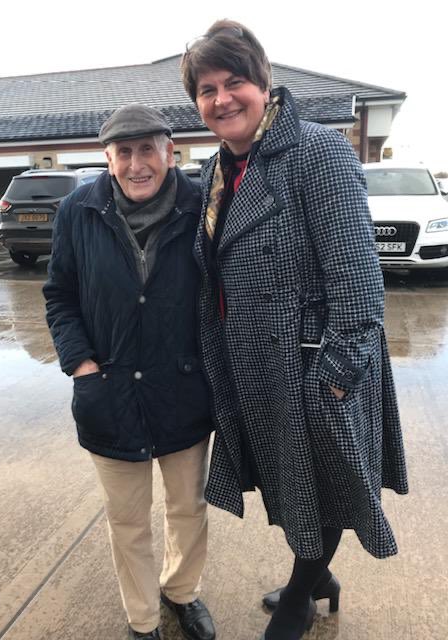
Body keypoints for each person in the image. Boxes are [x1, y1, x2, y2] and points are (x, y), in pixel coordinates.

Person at [181, 20, 408, 640]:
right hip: (253, 367)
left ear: (264, 83)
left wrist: (333, 379)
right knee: (291, 486)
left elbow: (359, 281)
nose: (222, 99)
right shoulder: (217, 171)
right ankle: (317, 577)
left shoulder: (317, 151)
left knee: (322, 486)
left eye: (234, 82)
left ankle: (300, 597)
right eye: (206, 89)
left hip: (312, 364)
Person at [43, 105, 216, 640]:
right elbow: (60, 295)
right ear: (108, 158)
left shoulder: (200, 206)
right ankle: (142, 619)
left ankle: (181, 591)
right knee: (127, 519)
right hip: (109, 392)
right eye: (124, 152)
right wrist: (81, 366)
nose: (137, 164)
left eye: (147, 150)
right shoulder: (77, 210)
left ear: (170, 152)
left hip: (182, 388)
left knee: (188, 507)